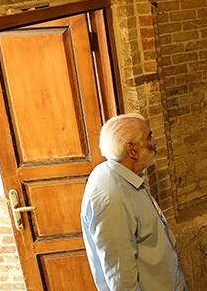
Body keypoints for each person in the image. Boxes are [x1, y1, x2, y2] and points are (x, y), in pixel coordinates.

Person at [81, 114, 188, 291]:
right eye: (149, 137)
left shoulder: (121, 175)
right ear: (133, 150)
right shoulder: (113, 201)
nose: (154, 142)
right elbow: (123, 283)